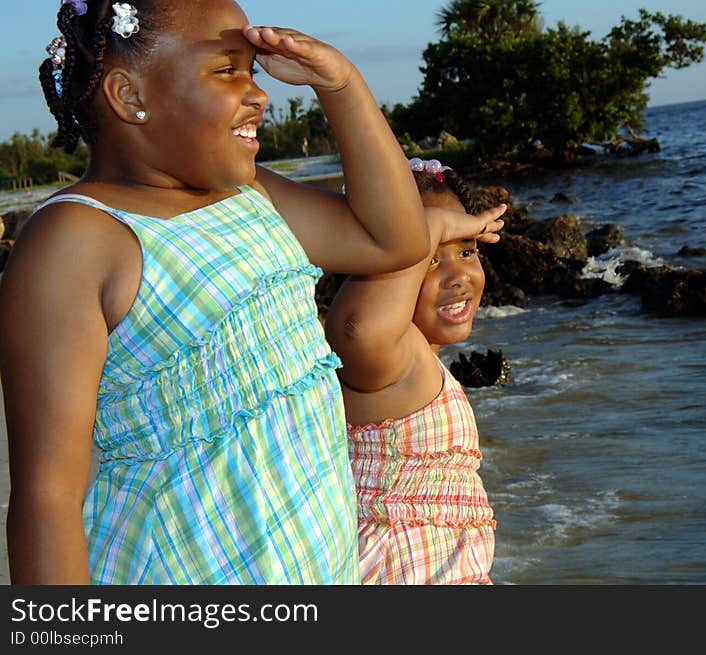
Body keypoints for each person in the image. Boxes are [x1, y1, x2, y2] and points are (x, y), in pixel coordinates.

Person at [0, 0, 429, 584]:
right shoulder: (77, 240)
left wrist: (342, 86)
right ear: (130, 97)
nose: (258, 94)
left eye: (253, 70)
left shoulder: (250, 195)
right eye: (229, 70)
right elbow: (47, 495)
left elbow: (392, 241)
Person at [325, 158, 505, 584]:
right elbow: (357, 328)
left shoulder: (415, 358)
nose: (457, 276)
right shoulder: (393, 359)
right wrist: (435, 226)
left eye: (465, 250)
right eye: (427, 257)